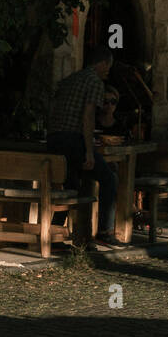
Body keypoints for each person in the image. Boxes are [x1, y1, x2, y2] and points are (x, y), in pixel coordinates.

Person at [48, 45, 120, 248]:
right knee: (109, 178)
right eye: (108, 66)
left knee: (70, 186)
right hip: (73, 140)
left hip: (54, 140)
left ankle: (55, 233)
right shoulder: (94, 81)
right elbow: (88, 117)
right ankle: (105, 230)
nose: (108, 71)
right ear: (102, 63)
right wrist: (89, 150)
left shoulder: (70, 79)